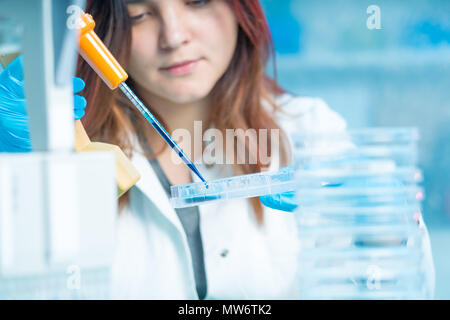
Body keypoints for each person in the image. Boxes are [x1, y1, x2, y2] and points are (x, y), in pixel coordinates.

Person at [0, 0, 434, 299]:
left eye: (198, 1)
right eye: (139, 15)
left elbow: (391, 285)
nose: (173, 36)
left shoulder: (309, 128)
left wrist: (386, 230)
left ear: (239, 9)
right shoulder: (71, 147)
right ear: (108, 36)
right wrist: (21, 189)